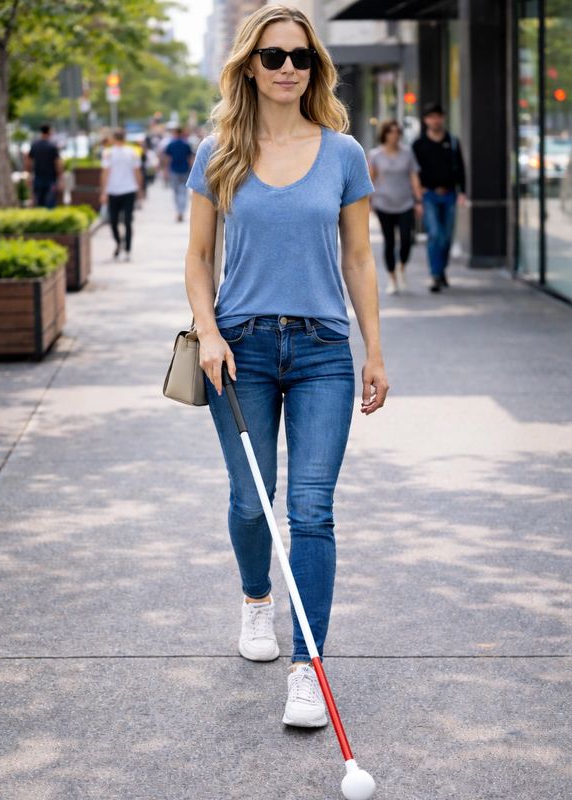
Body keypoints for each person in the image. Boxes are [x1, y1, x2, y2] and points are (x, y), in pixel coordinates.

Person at [184, 4, 388, 728]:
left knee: (312, 511)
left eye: (299, 57)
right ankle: (255, 600)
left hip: (323, 353)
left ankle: (308, 667)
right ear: (249, 66)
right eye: (271, 56)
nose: (287, 68)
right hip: (238, 351)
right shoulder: (218, 152)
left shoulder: (344, 153)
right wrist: (208, 333)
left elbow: (360, 258)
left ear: (314, 66)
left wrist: (374, 350)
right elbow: (199, 258)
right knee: (250, 502)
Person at [412, 102, 467, 293]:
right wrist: (417, 198)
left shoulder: (452, 141)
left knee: (446, 237)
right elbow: (414, 173)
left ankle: (441, 270)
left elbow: (460, 168)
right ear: (426, 120)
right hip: (429, 195)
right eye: (431, 117)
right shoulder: (419, 145)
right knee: (434, 234)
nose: (435, 120)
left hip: (450, 194)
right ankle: (435, 274)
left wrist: (463, 192)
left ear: (443, 118)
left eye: (438, 116)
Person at [368, 119, 423, 294]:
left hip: (405, 202)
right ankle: (392, 279)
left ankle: (402, 266)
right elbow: (370, 179)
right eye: (391, 132)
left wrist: (418, 201)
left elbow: (414, 177)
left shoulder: (407, 153)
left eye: (397, 132)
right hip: (383, 203)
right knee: (389, 241)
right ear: (384, 134)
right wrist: (368, 203)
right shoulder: (376, 155)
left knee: (406, 239)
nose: (394, 136)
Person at [99, 128, 143, 261]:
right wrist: (140, 189)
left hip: (121, 190)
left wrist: (103, 191)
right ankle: (125, 247)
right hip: (124, 190)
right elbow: (137, 172)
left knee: (115, 221)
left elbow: (105, 173)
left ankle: (122, 245)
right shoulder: (125, 152)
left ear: (113, 138)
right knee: (127, 221)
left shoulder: (111, 153)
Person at [25, 124, 63, 209]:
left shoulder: (34, 145)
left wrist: (28, 175)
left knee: (39, 202)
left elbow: (28, 162)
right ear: (49, 132)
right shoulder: (52, 146)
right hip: (51, 178)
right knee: (50, 203)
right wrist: (60, 178)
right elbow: (58, 163)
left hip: (38, 178)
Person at [164, 127, 194, 222]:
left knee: (176, 192)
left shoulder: (171, 145)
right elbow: (190, 159)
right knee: (183, 192)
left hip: (174, 170)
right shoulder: (186, 145)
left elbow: (168, 159)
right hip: (185, 170)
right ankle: (181, 211)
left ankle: (179, 211)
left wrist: (165, 171)